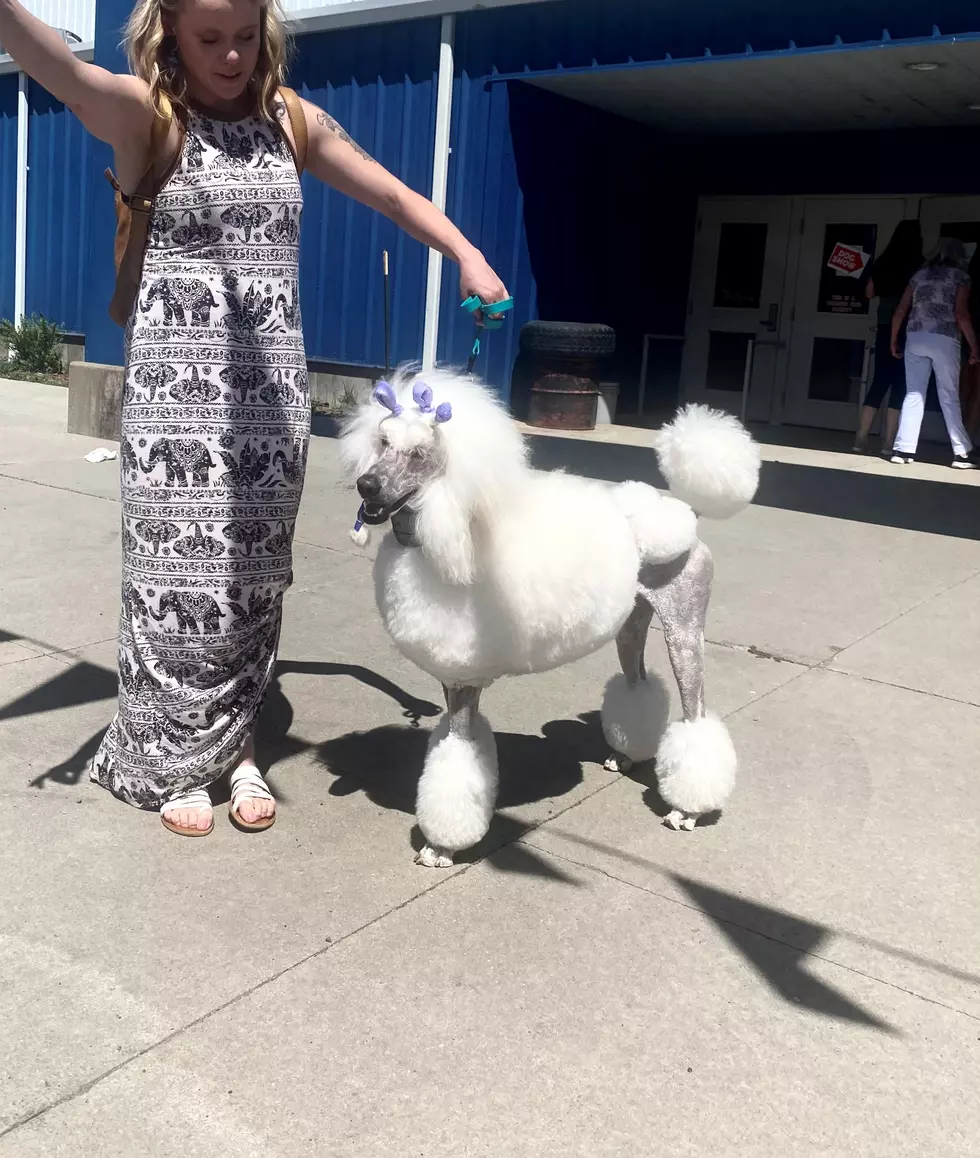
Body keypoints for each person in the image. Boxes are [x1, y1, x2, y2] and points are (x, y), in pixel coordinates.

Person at [0, 0, 508, 835]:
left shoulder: (291, 121)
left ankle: (237, 750)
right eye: (209, 39)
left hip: (271, 406)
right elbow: (62, 70)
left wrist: (465, 252)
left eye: (243, 35)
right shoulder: (149, 117)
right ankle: (175, 760)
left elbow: (388, 190)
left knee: (251, 586)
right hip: (177, 413)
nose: (230, 55)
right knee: (177, 588)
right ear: (171, 31)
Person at [889, 237, 979, 468]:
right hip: (945, 338)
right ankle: (961, 453)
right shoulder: (961, 277)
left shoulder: (919, 276)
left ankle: (903, 450)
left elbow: (901, 309)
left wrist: (893, 338)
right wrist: (974, 347)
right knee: (949, 395)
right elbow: (961, 314)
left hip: (916, 335)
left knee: (913, 393)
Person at [852, 220, 922, 455]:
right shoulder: (919, 265)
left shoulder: (883, 262)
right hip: (909, 328)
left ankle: (861, 438)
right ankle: (889, 442)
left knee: (879, 380)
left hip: (884, 326)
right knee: (901, 384)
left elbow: (869, 293)